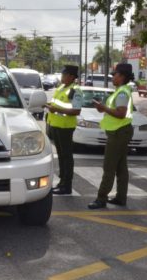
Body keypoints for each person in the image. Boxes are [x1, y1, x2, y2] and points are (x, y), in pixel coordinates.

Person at [88, 63, 135, 209]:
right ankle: (121, 197)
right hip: (120, 131)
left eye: (114, 74)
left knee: (109, 166)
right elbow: (116, 111)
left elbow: (121, 113)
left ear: (121, 76)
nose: (112, 77)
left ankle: (101, 198)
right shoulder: (121, 91)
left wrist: (103, 108)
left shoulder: (121, 92)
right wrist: (104, 108)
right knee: (121, 167)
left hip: (119, 133)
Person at [44, 65, 83, 195]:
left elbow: (76, 111)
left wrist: (56, 109)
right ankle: (61, 182)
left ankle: (67, 185)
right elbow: (58, 104)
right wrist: (50, 106)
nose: (62, 77)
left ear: (72, 77)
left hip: (65, 127)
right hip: (55, 125)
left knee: (66, 157)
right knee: (61, 156)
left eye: (64, 75)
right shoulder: (61, 87)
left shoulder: (75, 90)